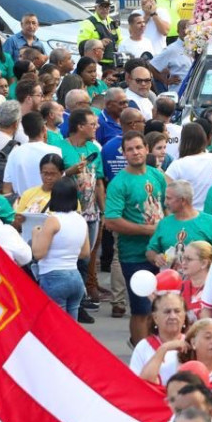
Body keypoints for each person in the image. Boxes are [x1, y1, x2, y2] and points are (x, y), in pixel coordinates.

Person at [104, 131, 167, 344]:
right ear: (124, 153)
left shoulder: (157, 175)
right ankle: (141, 352)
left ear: (147, 149)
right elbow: (111, 221)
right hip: (134, 256)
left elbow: (166, 207)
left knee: (159, 308)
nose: (135, 152)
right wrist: (149, 230)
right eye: (130, 149)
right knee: (141, 310)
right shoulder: (119, 183)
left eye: (139, 147)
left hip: (161, 254)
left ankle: (152, 350)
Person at [32, 177, 91, 319]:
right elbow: (85, 253)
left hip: (53, 276)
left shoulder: (53, 220)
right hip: (75, 277)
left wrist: (35, 234)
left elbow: (38, 253)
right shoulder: (80, 219)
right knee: (72, 330)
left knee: (55, 328)